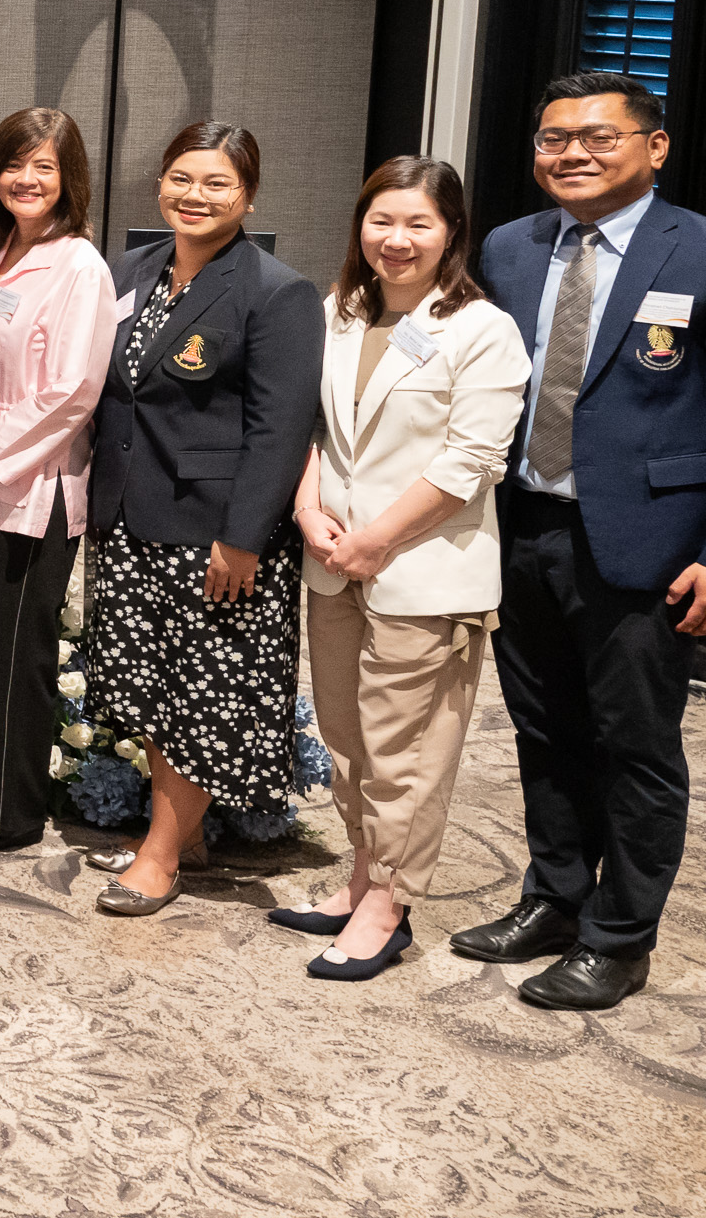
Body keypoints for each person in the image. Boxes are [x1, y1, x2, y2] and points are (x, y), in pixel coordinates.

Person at [454, 72, 706, 1010]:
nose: (571, 154)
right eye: (553, 138)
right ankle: (555, 896)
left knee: (636, 746)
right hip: (524, 528)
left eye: (597, 137)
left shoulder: (699, 252)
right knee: (542, 731)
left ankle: (619, 935)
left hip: (649, 541)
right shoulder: (512, 248)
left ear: (656, 145)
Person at [286, 157, 526, 980]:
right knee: (347, 738)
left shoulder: (482, 328)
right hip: (333, 561)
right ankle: (359, 874)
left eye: (418, 223)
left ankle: (389, 905)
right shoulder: (339, 314)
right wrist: (308, 510)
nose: (396, 239)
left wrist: (375, 538)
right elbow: (310, 430)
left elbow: (472, 461)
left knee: (409, 752)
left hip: (424, 570)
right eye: (381, 220)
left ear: (451, 231)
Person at [80, 122, 322, 917]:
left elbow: (280, 429)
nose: (196, 195)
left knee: (198, 692)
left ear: (248, 195)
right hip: (127, 513)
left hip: (212, 532)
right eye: (182, 178)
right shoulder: (133, 269)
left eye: (217, 183)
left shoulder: (274, 290)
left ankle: (160, 854)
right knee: (150, 686)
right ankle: (177, 830)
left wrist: (244, 534)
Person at [0, 107, 111, 854]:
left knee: (14, 650)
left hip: (34, 489)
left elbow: (73, 389)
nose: (27, 179)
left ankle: (9, 811)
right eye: (15, 163)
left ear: (68, 180)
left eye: (44, 167)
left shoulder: (79, 266)